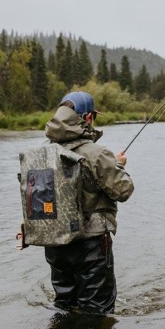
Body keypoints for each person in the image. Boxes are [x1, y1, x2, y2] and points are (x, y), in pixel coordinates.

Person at [42, 91, 134, 314]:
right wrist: (118, 165)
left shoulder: (45, 152)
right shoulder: (97, 153)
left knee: (64, 304)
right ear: (88, 118)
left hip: (55, 243)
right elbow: (123, 190)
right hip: (90, 245)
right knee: (97, 310)